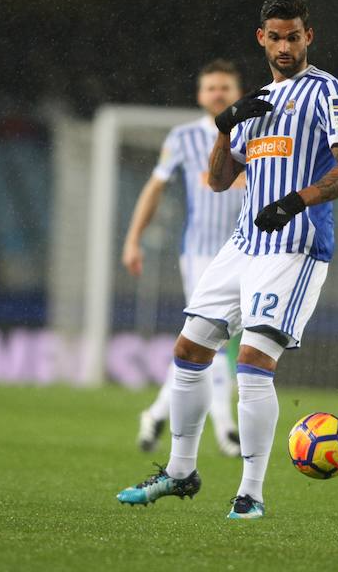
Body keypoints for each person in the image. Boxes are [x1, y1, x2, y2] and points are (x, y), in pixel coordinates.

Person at [116, 0, 338, 519]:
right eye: (275, 37)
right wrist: (226, 124)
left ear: (308, 36)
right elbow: (217, 178)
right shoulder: (254, 103)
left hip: (295, 246)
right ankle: (181, 472)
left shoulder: (328, 92)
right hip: (243, 245)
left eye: (293, 36)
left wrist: (297, 200)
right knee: (189, 350)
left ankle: (250, 494)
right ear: (262, 38)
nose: (284, 46)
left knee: (252, 361)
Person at [122, 59, 244, 458]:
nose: (218, 94)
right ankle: (227, 429)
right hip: (200, 254)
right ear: (200, 95)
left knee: (206, 343)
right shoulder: (183, 137)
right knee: (216, 337)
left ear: (237, 92)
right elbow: (154, 187)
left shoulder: (255, 134)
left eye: (225, 87)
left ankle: (156, 414)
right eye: (211, 88)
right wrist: (133, 239)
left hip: (246, 251)